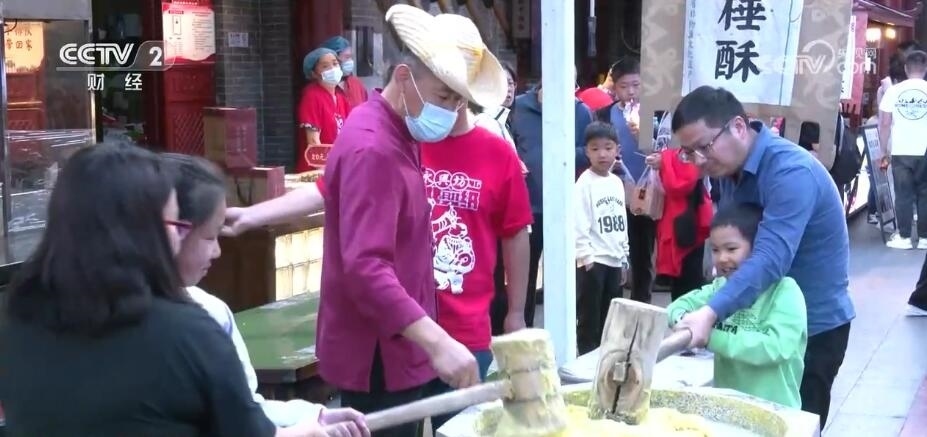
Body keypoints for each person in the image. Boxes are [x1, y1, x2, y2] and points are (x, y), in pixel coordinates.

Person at [0, 143, 329, 437]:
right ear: (138, 232)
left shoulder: (18, 319)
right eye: (175, 225)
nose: (178, 238)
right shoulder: (189, 333)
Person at [670, 86, 855, 430]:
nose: (698, 161)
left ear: (739, 127)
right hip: (753, 324)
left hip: (809, 329)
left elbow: (770, 258)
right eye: (688, 152)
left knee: (794, 426)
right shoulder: (729, 170)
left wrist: (710, 313)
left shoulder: (791, 172)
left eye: (703, 147)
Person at [161, 153, 368, 435]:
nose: (217, 251)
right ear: (171, 230)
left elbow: (246, 409)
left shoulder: (212, 312)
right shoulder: (185, 323)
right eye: (209, 237)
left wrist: (311, 416)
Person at [417, 16, 531, 434]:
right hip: (404, 330)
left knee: (461, 429)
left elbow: (515, 233)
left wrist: (515, 312)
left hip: (466, 330)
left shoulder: (496, 154)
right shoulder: (405, 142)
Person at [666, 203, 807, 408]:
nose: (722, 258)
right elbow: (676, 307)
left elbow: (775, 348)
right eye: (715, 250)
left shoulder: (785, 291)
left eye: (731, 249)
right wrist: (687, 323)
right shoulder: (720, 287)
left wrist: (709, 336)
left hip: (776, 412)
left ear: (757, 249)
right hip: (729, 409)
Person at [509, 71, 594, 329]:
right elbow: (507, 142)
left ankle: (564, 334)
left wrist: (561, 153)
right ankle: (523, 333)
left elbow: (590, 151)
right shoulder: (519, 107)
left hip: (563, 206)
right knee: (524, 274)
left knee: (563, 275)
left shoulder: (580, 111)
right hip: (526, 204)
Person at [594, 57, 653, 304]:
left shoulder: (654, 114)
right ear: (614, 88)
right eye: (624, 86)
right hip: (615, 191)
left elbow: (664, 149)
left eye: (636, 85)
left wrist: (645, 136)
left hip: (648, 191)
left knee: (643, 253)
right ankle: (613, 304)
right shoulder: (604, 114)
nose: (631, 92)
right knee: (614, 250)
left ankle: (642, 304)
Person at [573, 121, 630, 354]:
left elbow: (622, 221)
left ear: (617, 149)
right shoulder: (584, 183)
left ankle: (606, 358)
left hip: (614, 259)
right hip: (594, 260)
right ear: (586, 152)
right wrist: (585, 257)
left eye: (608, 148)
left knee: (611, 317)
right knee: (590, 316)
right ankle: (586, 358)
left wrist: (624, 257)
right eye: (595, 148)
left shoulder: (616, 182)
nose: (602, 154)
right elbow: (579, 222)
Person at [645, 142, 712, 301]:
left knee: (688, 278)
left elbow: (678, 185)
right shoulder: (686, 153)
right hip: (685, 218)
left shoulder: (695, 154)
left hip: (687, 219)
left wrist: (665, 160)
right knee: (683, 280)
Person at [878, 50, 927, 250]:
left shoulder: (893, 91)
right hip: (925, 150)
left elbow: (884, 124)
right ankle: (925, 238)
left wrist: (883, 150)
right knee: (925, 193)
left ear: (906, 69)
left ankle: (905, 237)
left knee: (903, 194)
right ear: (925, 69)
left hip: (901, 149)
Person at [296, 47, 351, 172]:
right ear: (314, 74)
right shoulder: (312, 96)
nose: (332, 68)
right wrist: (325, 171)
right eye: (325, 66)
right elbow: (313, 141)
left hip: (338, 167)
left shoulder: (341, 98)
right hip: (316, 170)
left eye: (335, 63)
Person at [321, 35, 369, 110]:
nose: (350, 61)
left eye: (351, 57)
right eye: (347, 57)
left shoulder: (356, 84)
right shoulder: (320, 89)